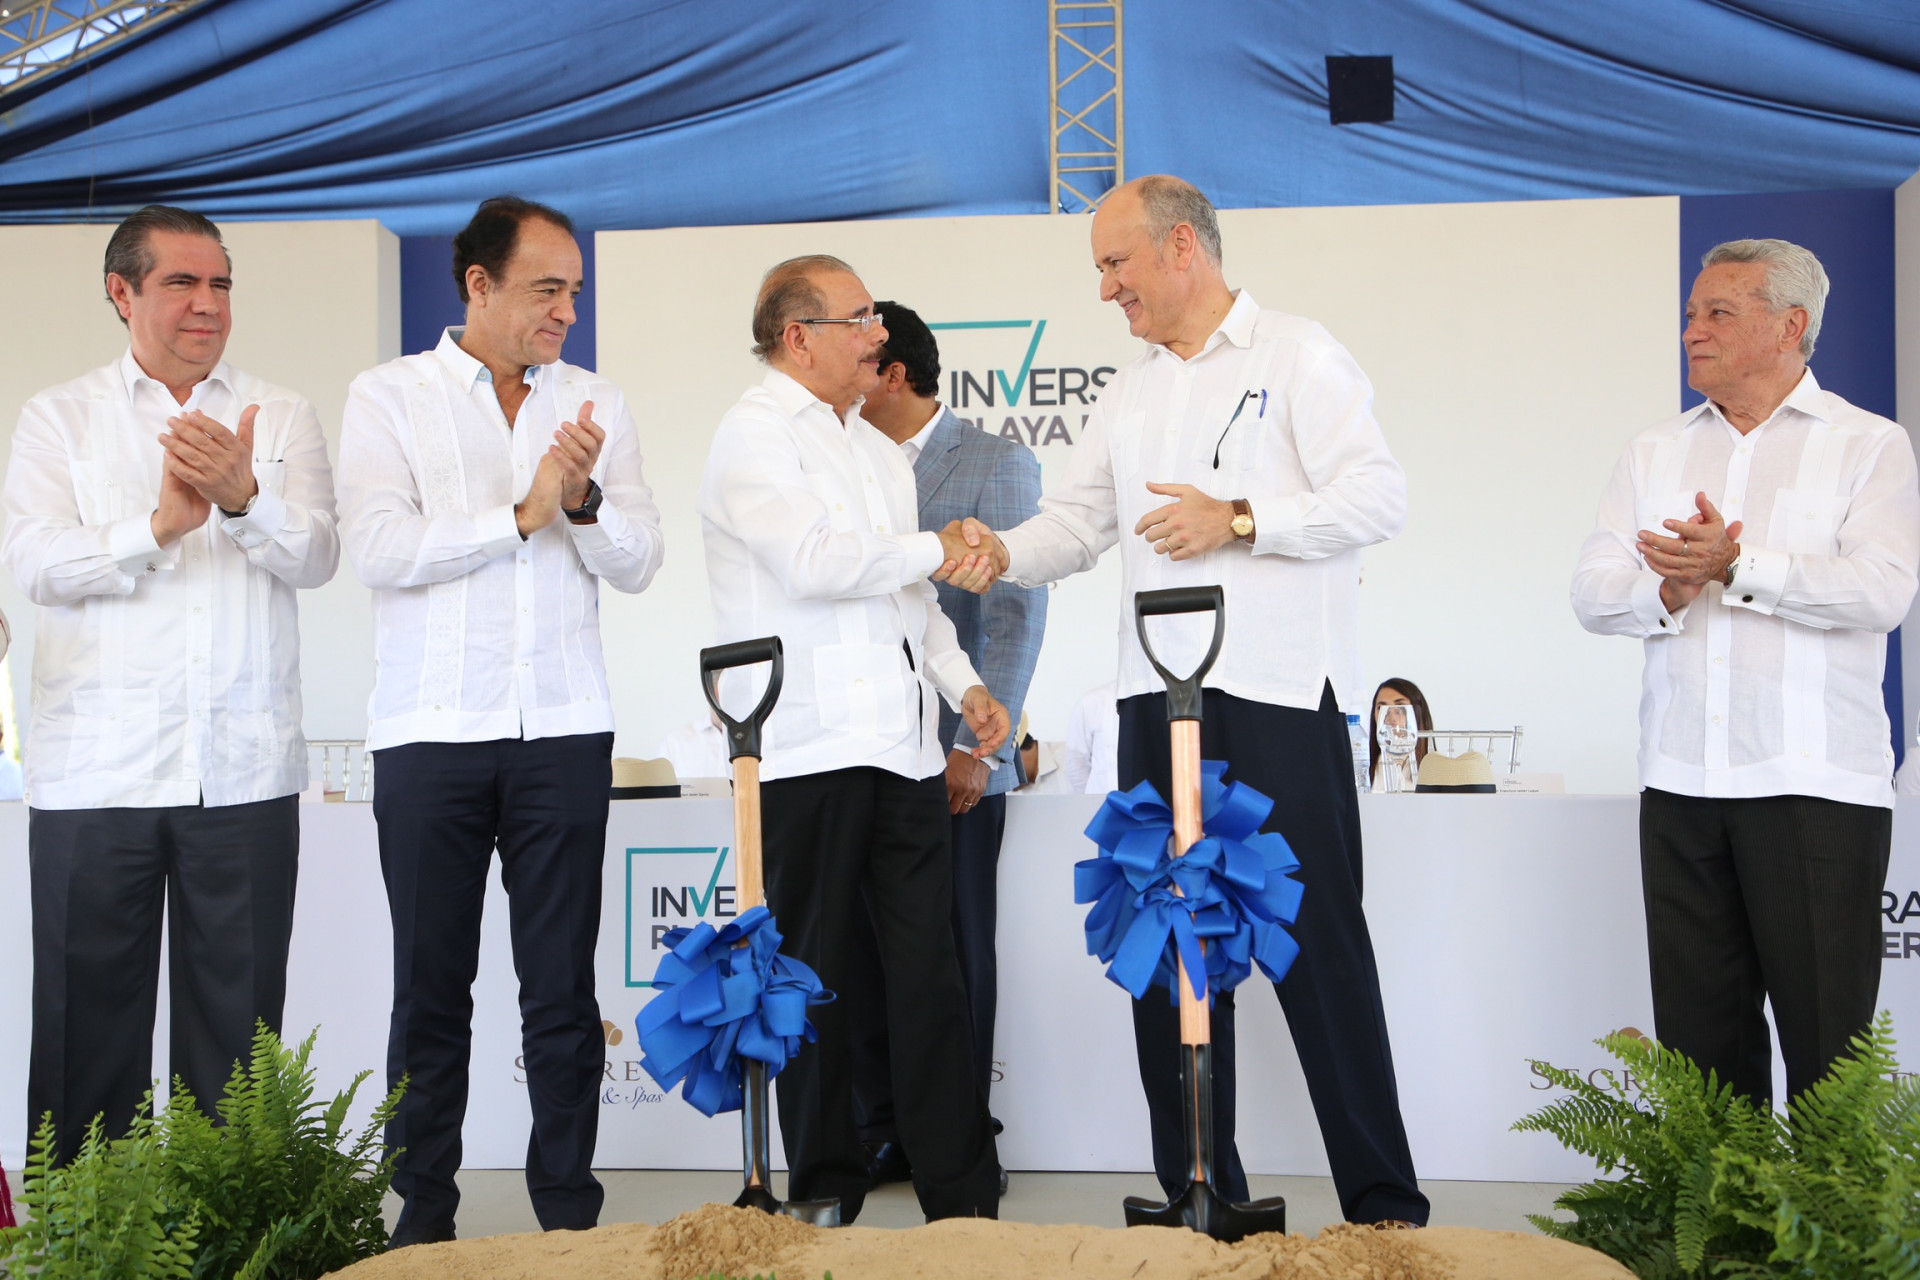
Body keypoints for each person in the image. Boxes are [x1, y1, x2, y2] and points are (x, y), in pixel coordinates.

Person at [952, 176, 1428, 1226]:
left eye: (1115, 263)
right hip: (1152, 700)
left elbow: (1376, 494)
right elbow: (1076, 525)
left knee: (1319, 946)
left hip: (1275, 697)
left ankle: (1385, 1206)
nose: (1105, 289)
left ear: (1180, 248)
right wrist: (998, 551)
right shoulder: (1129, 392)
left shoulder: (1297, 353)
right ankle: (1200, 1194)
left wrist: (1242, 518)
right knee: (1166, 938)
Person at [337, 196, 664, 1245]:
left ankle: (568, 1219)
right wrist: (521, 513)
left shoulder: (597, 400)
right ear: (477, 284)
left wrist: (583, 503)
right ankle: (421, 1220)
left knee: (561, 990)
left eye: (575, 290)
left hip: (562, 729)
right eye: (546, 289)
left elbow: (640, 562)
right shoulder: (388, 396)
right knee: (431, 988)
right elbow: (379, 549)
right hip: (429, 733)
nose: (567, 309)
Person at [5, 205, 339, 1162]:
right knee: (84, 1041)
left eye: (220, 283)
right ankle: (87, 1234)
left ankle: (226, 1234)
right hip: (94, 777)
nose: (207, 303)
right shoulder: (58, 417)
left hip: (242, 774)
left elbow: (319, 557)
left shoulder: (279, 413)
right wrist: (156, 529)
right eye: (182, 283)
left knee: (239, 1048)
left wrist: (243, 499)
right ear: (122, 292)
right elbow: (34, 565)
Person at [696, 254, 1010, 1223]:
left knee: (930, 973)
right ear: (799, 337)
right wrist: (939, 547)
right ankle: (826, 1188)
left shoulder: (874, 448)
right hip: (803, 749)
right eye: (860, 317)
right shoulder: (752, 435)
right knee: (815, 978)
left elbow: (910, 596)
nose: (879, 334)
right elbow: (816, 562)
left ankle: (963, 1198)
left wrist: (965, 686)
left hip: (902, 749)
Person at [1572, 238, 1919, 1109]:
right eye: (1691, 313)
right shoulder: (1653, 450)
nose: (1693, 331)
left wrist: (1739, 567)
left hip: (1815, 786)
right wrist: (1668, 588)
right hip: (1680, 783)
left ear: (1790, 327)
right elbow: (1592, 593)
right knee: (1702, 1067)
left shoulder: (1868, 445)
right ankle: (1726, 1210)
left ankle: (1829, 1211)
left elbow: (1882, 592)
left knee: (1830, 1062)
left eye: (1718, 313)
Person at [851, 301, 1047, 1191]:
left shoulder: (996, 462)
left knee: (956, 952)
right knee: (868, 953)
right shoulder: (847, 462)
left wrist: (979, 748)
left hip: (955, 758)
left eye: (862, 360)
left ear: (893, 373)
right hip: (863, 752)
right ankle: (881, 1130)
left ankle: (965, 1141)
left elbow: (1013, 619)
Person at [1369, 679, 1432, 793]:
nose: (1391, 717)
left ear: (1417, 712)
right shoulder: (1364, 765)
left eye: (1400, 706)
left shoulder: (1436, 768)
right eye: (1381, 708)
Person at [1062, 679, 1120, 795]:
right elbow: (1076, 764)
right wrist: (1092, 801)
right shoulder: (1092, 701)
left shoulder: (1159, 697)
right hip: (1101, 802)